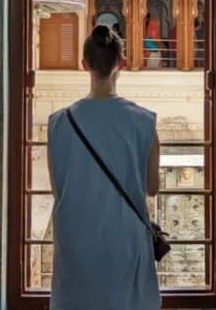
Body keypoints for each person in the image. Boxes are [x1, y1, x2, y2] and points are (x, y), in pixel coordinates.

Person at [47, 25, 162, 310]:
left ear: (84, 65)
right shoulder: (144, 121)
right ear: (121, 63)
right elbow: (152, 187)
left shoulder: (59, 122)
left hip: (76, 238)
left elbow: (57, 188)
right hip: (125, 239)